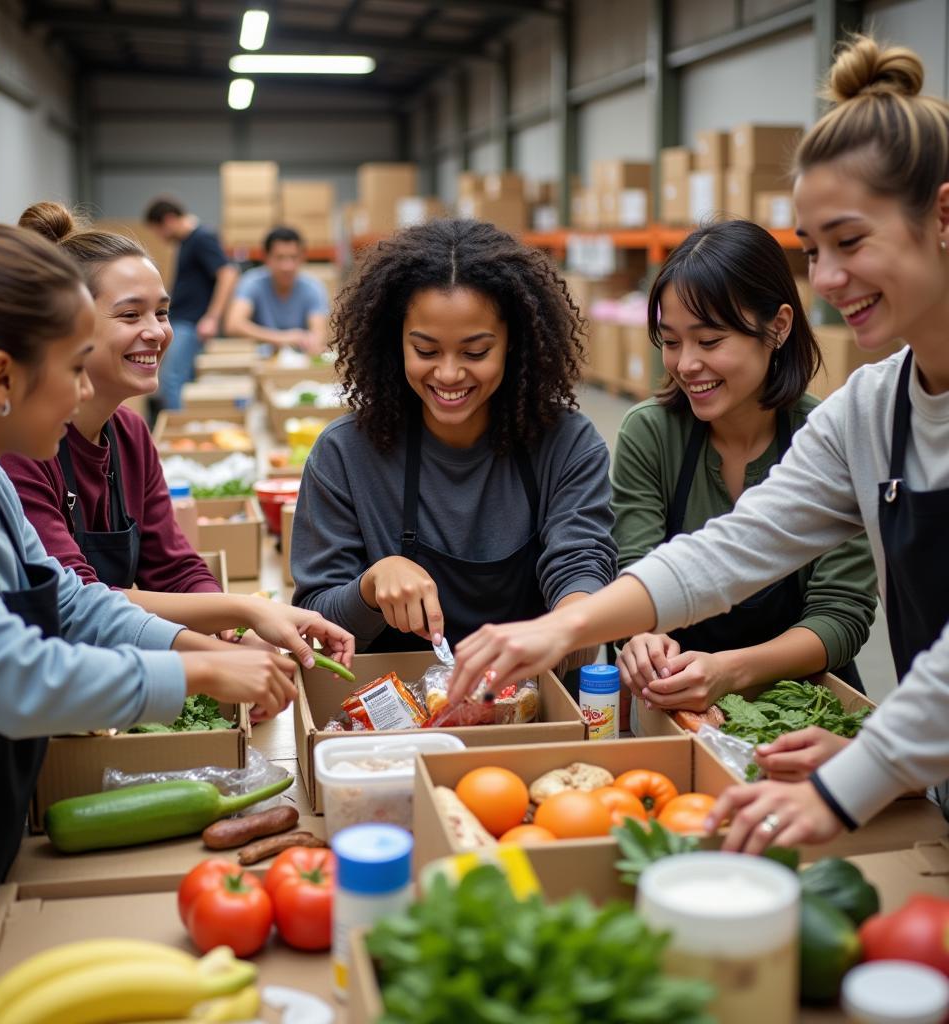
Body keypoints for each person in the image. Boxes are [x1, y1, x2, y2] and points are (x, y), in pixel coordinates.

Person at [447, 34, 949, 855]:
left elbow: (857, 621)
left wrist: (867, 768)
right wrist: (558, 631)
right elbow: (729, 551)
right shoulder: (872, 411)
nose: (825, 278)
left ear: (943, 215)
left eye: (850, 242)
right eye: (812, 249)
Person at [0, 207, 309, 1016]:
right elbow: (10, 670)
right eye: (72, 365)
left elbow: (67, 598)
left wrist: (201, 641)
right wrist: (193, 666)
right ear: (0, 379)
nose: (82, 389)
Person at [0, 202, 354, 663]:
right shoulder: (20, 448)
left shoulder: (128, 431)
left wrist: (230, 632)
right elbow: (77, 600)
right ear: (66, 326)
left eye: (162, 313)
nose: (156, 332)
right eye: (130, 316)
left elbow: (172, 564)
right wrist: (236, 616)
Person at [291, 219, 617, 655]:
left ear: (514, 344)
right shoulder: (345, 454)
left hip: (538, 707)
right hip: (397, 719)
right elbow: (315, 620)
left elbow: (581, 564)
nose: (448, 373)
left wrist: (572, 623)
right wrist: (370, 586)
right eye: (425, 351)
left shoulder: (566, 445)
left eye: (475, 352)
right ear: (395, 343)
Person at [612, 220, 876, 719]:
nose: (686, 364)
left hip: (799, 707)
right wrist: (644, 638)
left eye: (709, 341)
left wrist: (729, 672)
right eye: (670, 341)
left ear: (777, 326)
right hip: (679, 704)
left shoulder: (830, 437)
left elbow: (840, 615)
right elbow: (635, 569)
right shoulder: (650, 435)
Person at [143, 197, 238, 411]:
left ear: (168, 220)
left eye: (158, 230)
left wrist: (212, 317)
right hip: (182, 321)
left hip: (191, 323)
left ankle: (177, 433)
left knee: (171, 380)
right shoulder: (187, 243)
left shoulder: (202, 237)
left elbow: (228, 273)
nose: (159, 237)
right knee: (181, 380)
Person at [224, 226, 329, 355]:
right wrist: (282, 338)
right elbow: (233, 324)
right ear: (266, 258)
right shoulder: (252, 282)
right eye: (280, 258)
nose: (287, 266)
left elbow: (319, 332)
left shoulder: (313, 287)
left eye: (293, 257)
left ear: (302, 257)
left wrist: (313, 342)